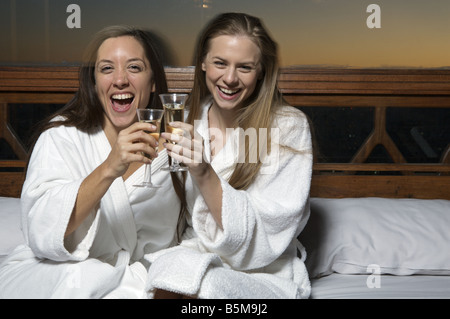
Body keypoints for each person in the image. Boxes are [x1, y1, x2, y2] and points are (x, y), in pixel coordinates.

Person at [0, 25, 184, 298]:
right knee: (82, 277)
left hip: (140, 280)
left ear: (153, 80)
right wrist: (110, 167)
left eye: (134, 67)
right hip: (63, 271)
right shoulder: (61, 137)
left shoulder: (176, 148)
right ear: (94, 81)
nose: (120, 80)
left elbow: (198, 233)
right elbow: (40, 229)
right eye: (107, 68)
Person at [146, 12, 313, 299]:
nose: (230, 78)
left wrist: (204, 172)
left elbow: (270, 235)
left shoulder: (288, 127)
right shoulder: (186, 121)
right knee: (168, 275)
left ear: (261, 71)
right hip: (194, 255)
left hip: (262, 272)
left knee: (208, 287)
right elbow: (160, 206)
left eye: (245, 67)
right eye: (220, 63)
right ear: (203, 62)